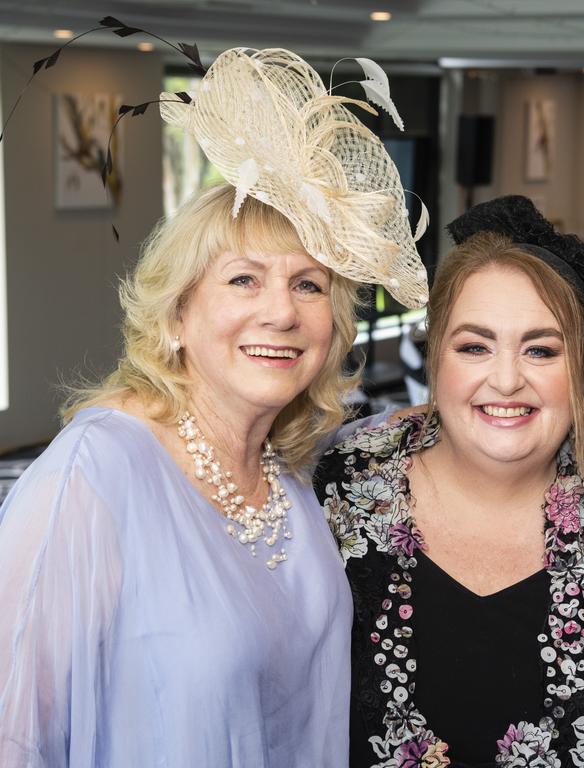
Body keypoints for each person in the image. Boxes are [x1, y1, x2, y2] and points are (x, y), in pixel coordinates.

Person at [0, 44, 428, 767]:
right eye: (242, 280)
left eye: (309, 285)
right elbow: (15, 733)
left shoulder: (288, 479)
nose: (281, 313)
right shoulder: (94, 474)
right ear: (175, 315)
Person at [313, 196, 584, 767]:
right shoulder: (335, 497)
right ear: (435, 362)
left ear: (578, 366)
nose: (506, 380)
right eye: (475, 347)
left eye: (540, 350)